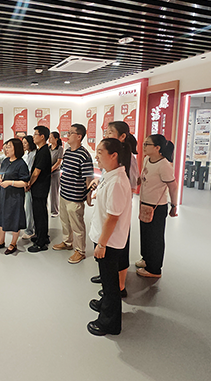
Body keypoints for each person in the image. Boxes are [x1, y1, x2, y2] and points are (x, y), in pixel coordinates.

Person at [87, 138, 132, 336]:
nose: (96, 156)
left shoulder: (117, 182)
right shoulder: (110, 174)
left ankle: (110, 323)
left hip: (109, 241)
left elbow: (113, 218)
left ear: (114, 155)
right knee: (106, 280)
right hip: (103, 236)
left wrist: (102, 244)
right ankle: (105, 303)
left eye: (100, 152)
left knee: (110, 283)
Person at [91, 121, 137, 297]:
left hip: (117, 213)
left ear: (122, 136)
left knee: (118, 253)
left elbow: (129, 186)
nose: (106, 135)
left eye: (110, 132)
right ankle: (108, 281)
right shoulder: (110, 164)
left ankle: (119, 285)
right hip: (109, 210)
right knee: (107, 264)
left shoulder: (125, 162)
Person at [136, 134, 179, 278]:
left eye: (147, 144)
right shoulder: (147, 159)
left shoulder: (164, 165)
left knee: (155, 237)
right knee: (145, 234)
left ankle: (154, 269)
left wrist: (174, 205)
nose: (143, 146)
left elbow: (173, 187)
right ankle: (146, 259)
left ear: (157, 148)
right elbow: (143, 177)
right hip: (145, 203)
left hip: (157, 206)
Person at [52, 124, 94, 264]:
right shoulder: (68, 151)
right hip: (64, 193)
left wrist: (88, 195)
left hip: (75, 197)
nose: (67, 135)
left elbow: (88, 177)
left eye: (70, 133)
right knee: (64, 220)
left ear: (79, 136)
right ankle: (67, 242)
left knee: (77, 225)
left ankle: (80, 251)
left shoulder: (84, 155)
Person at [0, 138, 30, 255]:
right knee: (0, 215)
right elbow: (1, 172)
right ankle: (1, 241)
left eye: (9, 147)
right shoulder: (5, 161)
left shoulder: (21, 164)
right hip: (3, 194)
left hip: (15, 195)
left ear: (16, 148)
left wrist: (10, 182)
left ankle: (13, 243)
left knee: (14, 217)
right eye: (6, 146)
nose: (6, 149)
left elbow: (25, 183)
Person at [27, 126, 52, 253]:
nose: (33, 137)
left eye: (35, 134)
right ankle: (42, 235)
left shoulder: (43, 152)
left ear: (42, 137)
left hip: (40, 188)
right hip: (40, 188)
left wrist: (29, 184)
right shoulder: (41, 150)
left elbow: (36, 172)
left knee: (39, 214)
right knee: (40, 213)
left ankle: (41, 243)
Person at [21, 135, 37, 240]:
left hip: (30, 184)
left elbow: (31, 171)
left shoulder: (34, 154)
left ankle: (29, 230)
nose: (23, 145)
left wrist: (28, 183)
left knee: (29, 208)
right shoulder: (29, 154)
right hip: (28, 182)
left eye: (25, 143)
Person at [48, 131, 64, 217]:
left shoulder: (60, 148)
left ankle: (55, 211)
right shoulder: (48, 148)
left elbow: (58, 162)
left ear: (56, 138)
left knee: (54, 193)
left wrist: (51, 170)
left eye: (51, 137)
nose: (49, 139)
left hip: (55, 173)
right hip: (47, 173)